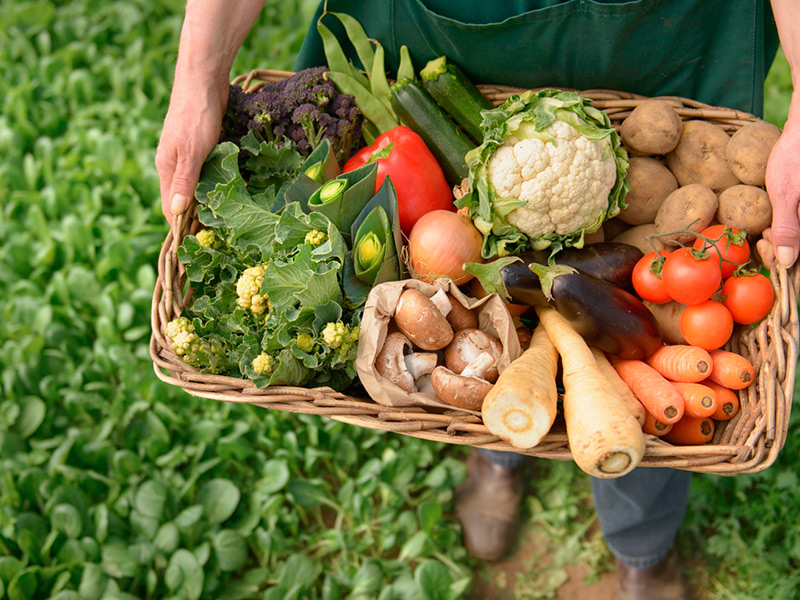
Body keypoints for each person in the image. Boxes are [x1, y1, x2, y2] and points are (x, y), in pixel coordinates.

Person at [156, 2, 800, 598]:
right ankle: (497, 448)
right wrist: (197, 75)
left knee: (654, 382)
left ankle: (642, 546)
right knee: (484, 334)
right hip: (449, 23)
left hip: (660, 37)